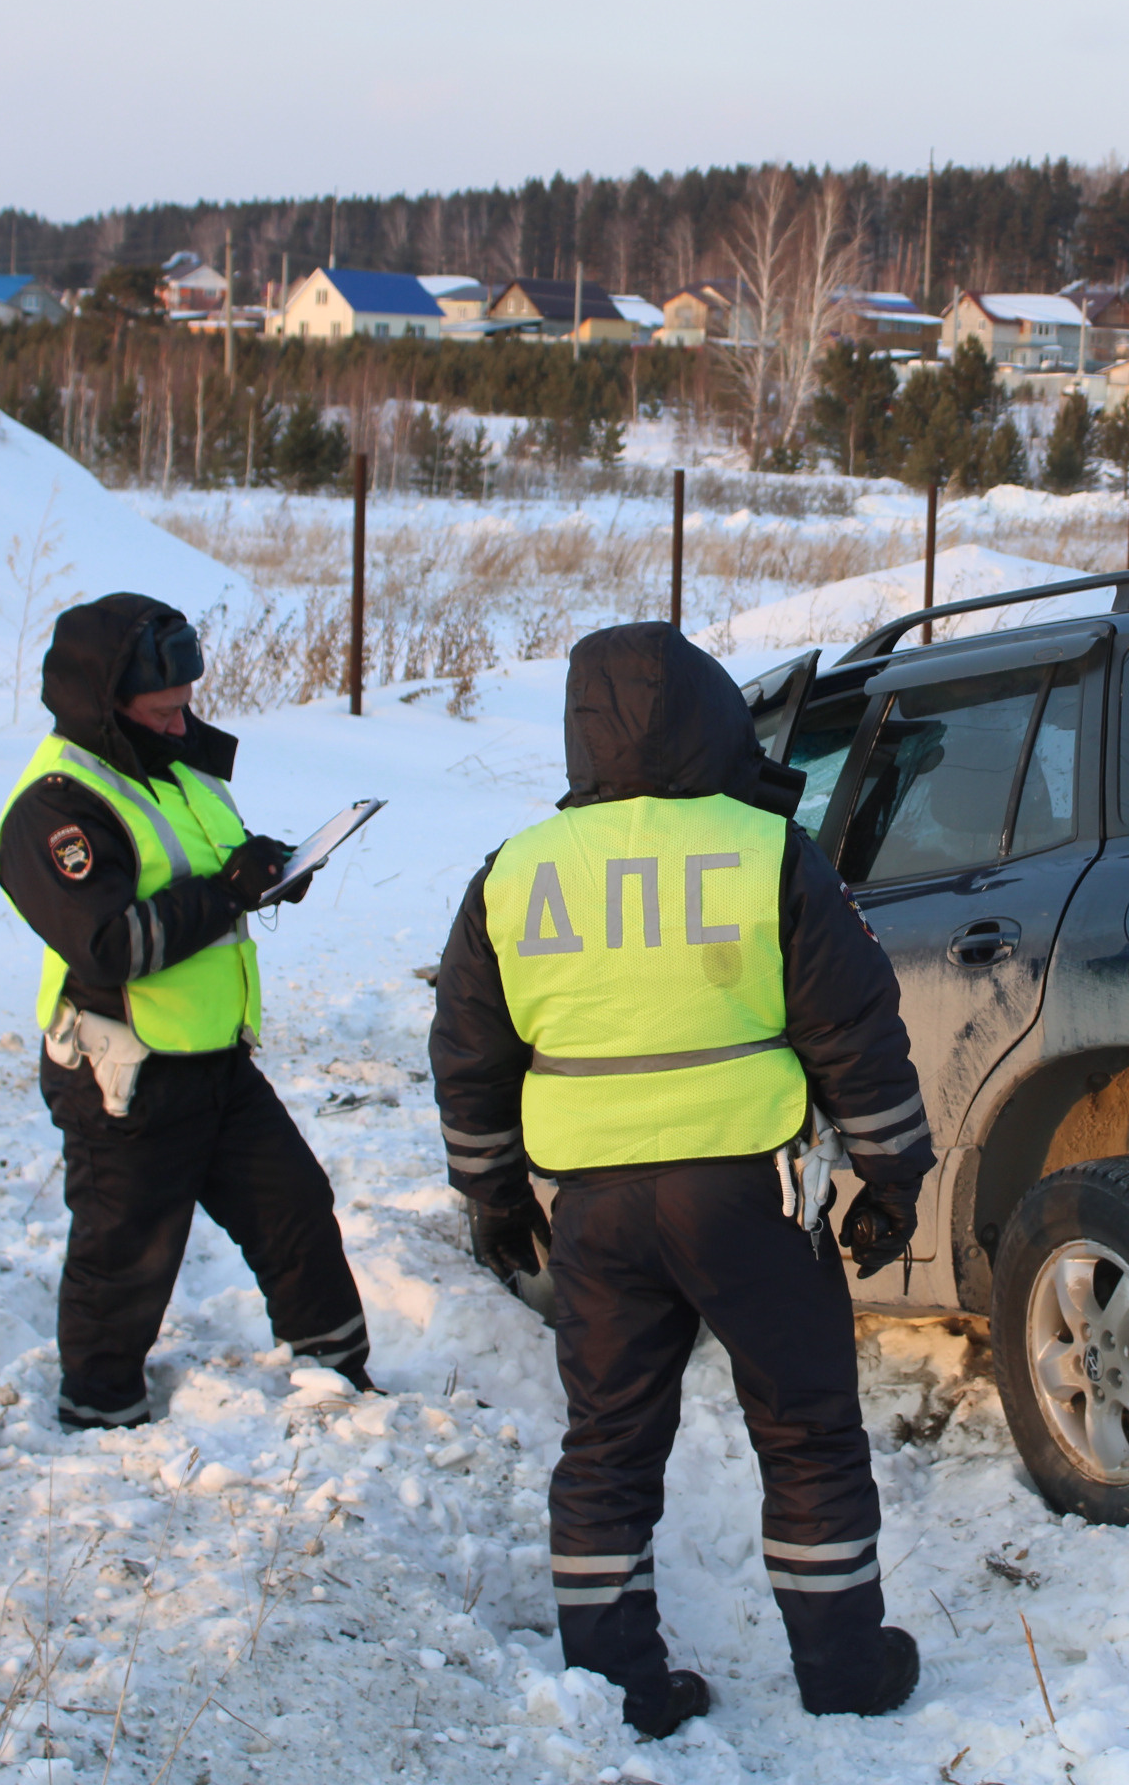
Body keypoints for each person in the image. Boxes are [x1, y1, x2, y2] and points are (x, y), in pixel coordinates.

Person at [429, 622, 929, 1740]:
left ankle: (617, 1686)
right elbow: (853, 1022)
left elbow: (468, 1051)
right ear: (710, 717)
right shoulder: (763, 846)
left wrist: (494, 1194)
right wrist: (894, 1170)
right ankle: (845, 1664)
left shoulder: (514, 871)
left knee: (608, 1439)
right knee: (804, 1423)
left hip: (595, 1210)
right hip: (747, 1197)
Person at [0, 593, 370, 1432]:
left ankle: (342, 1387)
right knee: (125, 1257)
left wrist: (263, 871)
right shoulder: (55, 808)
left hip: (214, 1059)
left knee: (296, 1209)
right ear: (105, 705)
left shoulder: (175, 763)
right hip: (122, 1071)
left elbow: (205, 870)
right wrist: (224, 892)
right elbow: (108, 945)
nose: (179, 721)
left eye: (186, 704)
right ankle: (99, 1415)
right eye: (162, 708)